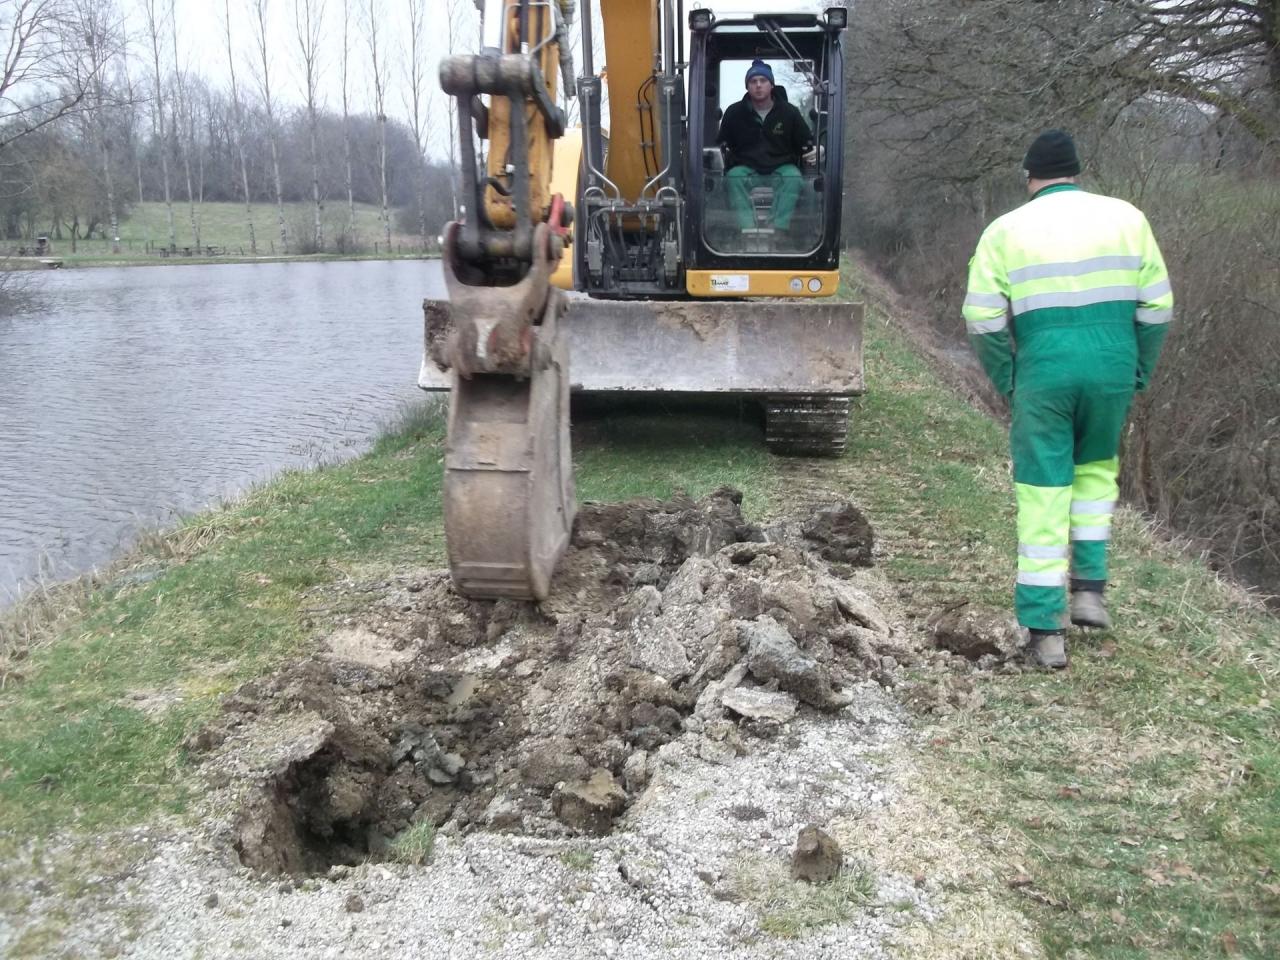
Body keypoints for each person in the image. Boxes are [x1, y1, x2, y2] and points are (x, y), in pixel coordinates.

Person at [962, 129, 1174, 668]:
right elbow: (1156, 308)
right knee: (1096, 475)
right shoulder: (1128, 218)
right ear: (1077, 171)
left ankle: (1045, 630)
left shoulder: (1006, 230)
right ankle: (1089, 592)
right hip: (1112, 370)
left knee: (1043, 492)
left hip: (1044, 370)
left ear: (1029, 176)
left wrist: (1009, 378)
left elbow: (982, 318)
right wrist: (1137, 371)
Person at [716, 59, 817, 233]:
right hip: (747, 169)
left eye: (763, 81)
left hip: (781, 168)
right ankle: (746, 229)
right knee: (733, 177)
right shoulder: (734, 113)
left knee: (794, 178)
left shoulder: (790, 113)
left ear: (771, 85)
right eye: (753, 82)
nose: (758, 85)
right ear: (747, 86)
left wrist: (816, 150)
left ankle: (778, 229)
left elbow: (806, 142)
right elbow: (721, 144)